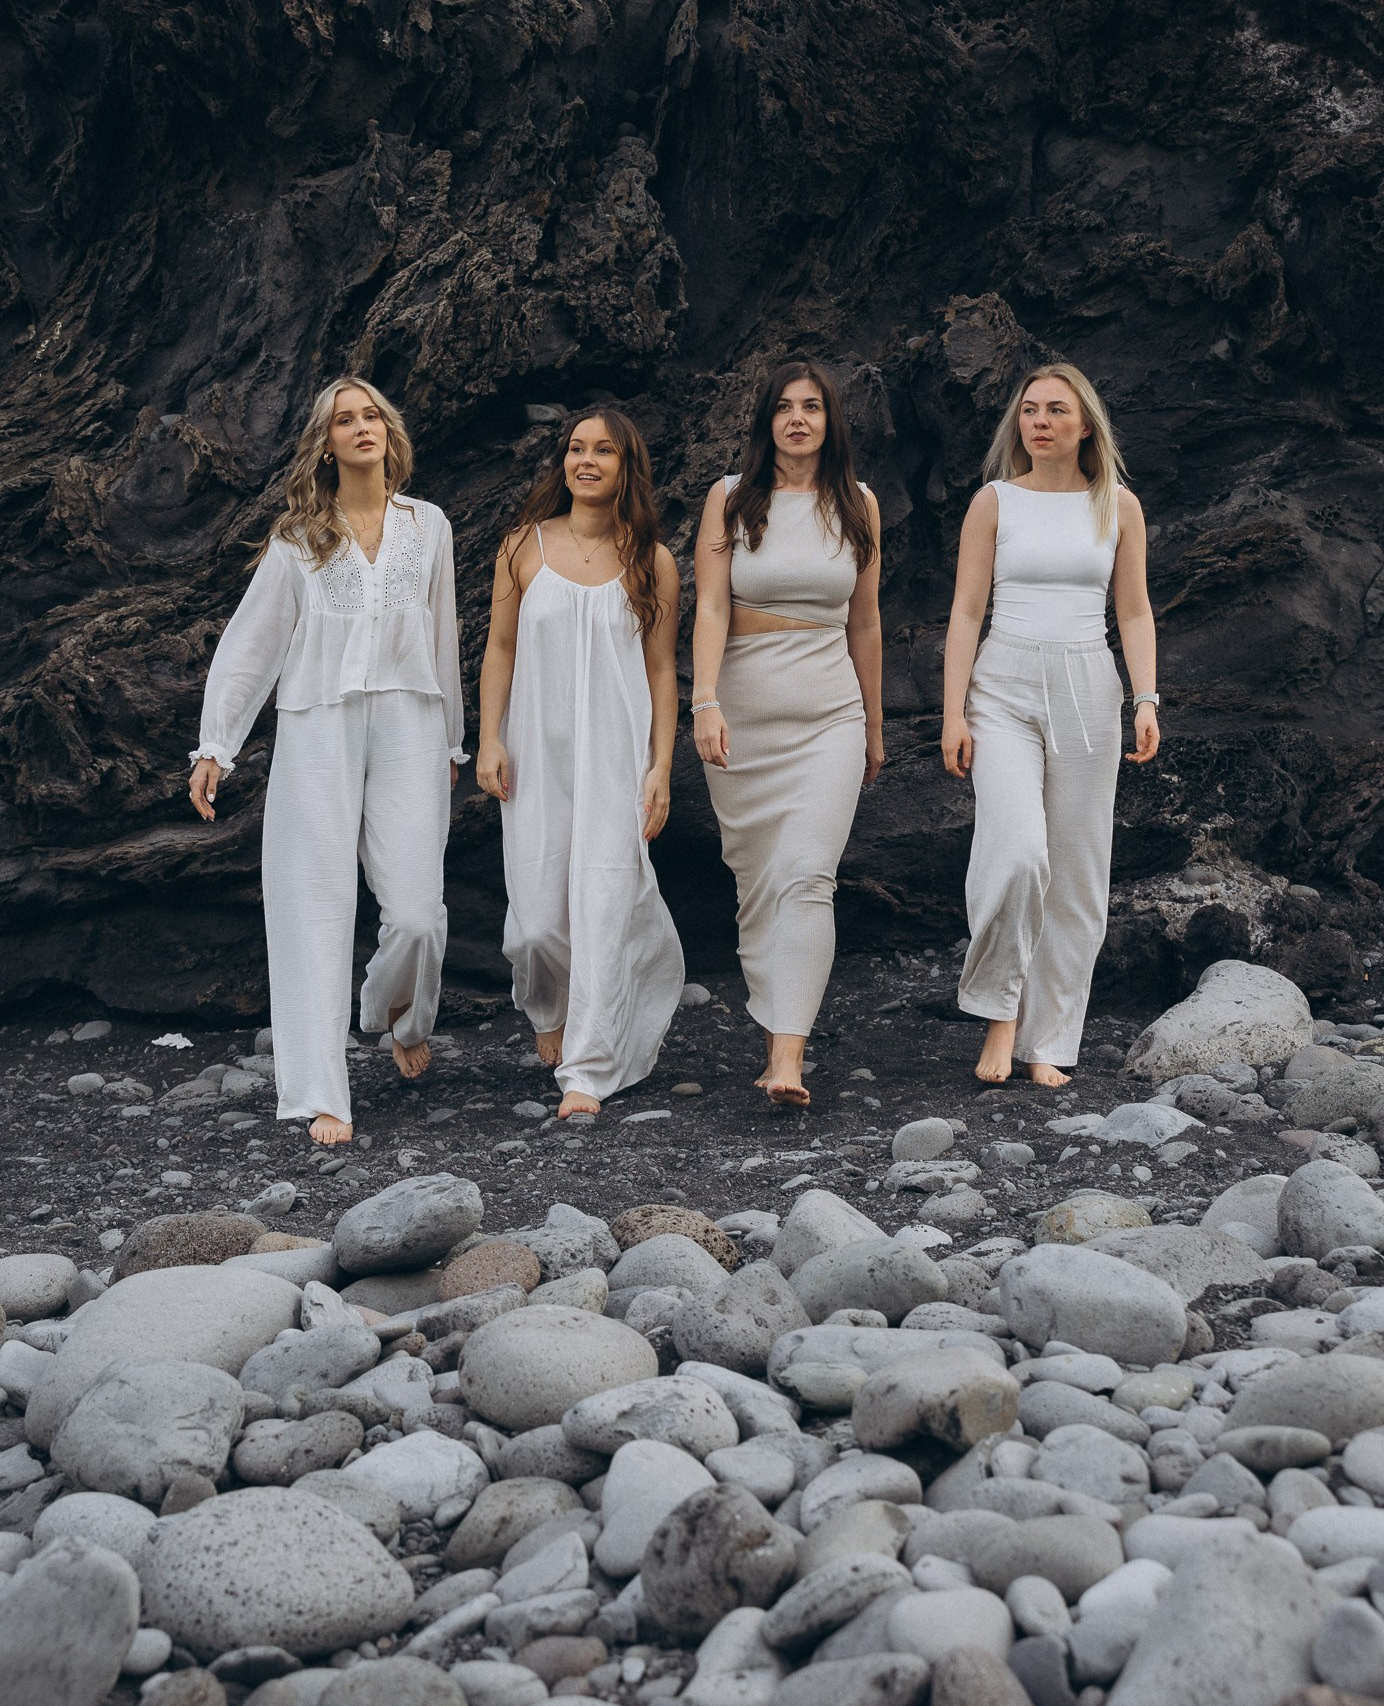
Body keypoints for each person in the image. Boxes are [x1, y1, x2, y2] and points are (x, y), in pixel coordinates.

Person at [187, 378, 462, 1147]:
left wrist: (451, 741)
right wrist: (217, 745)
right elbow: (251, 647)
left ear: (388, 430)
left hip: (411, 721)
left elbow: (444, 637)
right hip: (318, 729)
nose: (362, 426)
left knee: (415, 914)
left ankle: (392, 1013)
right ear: (327, 442)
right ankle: (322, 1094)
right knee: (313, 908)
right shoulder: (298, 539)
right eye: (345, 419)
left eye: (372, 413)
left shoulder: (428, 526)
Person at [940, 360, 1159, 1086]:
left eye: (1056, 410)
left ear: (1085, 424)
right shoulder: (994, 501)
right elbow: (967, 612)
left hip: (1086, 685)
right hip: (1001, 683)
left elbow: (1132, 611)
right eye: (1029, 410)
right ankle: (1000, 1019)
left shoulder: (1117, 506)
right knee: (1017, 853)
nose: (1039, 421)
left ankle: (1049, 1044)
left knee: (1076, 873)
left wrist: (1146, 699)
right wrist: (952, 712)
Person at [477, 404, 683, 1122]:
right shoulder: (521, 548)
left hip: (616, 755)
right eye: (575, 449)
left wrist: (660, 766)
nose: (585, 460)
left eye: (603, 451)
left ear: (627, 467)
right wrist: (489, 738)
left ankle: (587, 1072)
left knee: (601, 904)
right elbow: (498, 648)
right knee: (535, 922)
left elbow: (662, 673)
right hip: (536, 752)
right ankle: (549, 1008)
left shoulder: (650, 560)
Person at [691, 361, 883, 1109]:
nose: (797, 418)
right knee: (756, 880)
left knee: (807, 876)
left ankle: (787, 1057)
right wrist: (704, 701)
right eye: (784, 407)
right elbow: (709, 608)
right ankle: (773, 1021)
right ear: (766, 420)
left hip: (829, 714)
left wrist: (870, 726)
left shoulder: (859, 505)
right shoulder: (731, 501)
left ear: (831, 421)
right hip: (743, 714)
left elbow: (864, 622)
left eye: (812, 407)